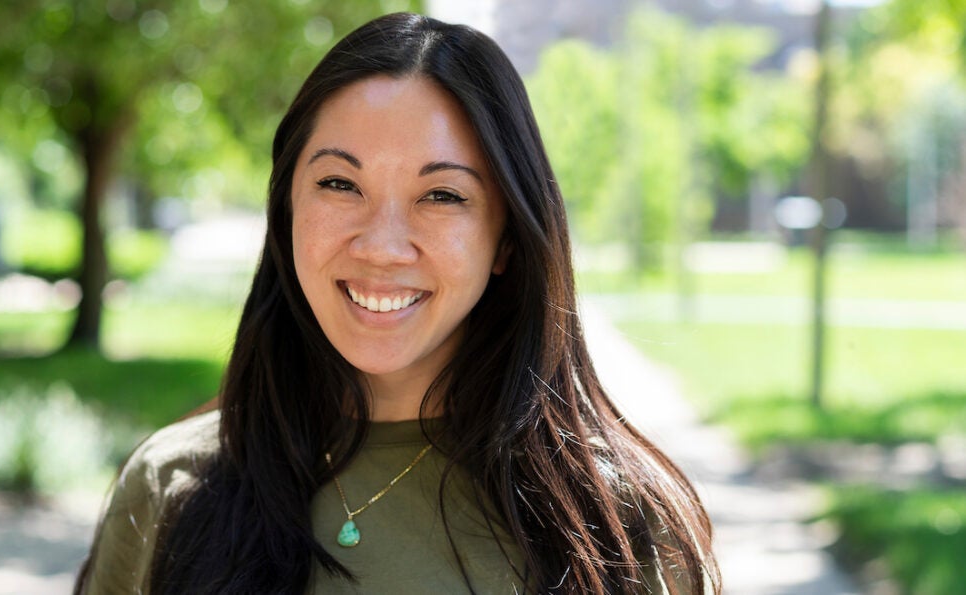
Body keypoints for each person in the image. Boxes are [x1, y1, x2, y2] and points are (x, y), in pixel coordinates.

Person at [77, 12, 719, 594]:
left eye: (442, 196)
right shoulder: (172, 487)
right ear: (286, 213)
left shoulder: (616, 525)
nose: (382, 247)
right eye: (339, 184)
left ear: (506, 239)